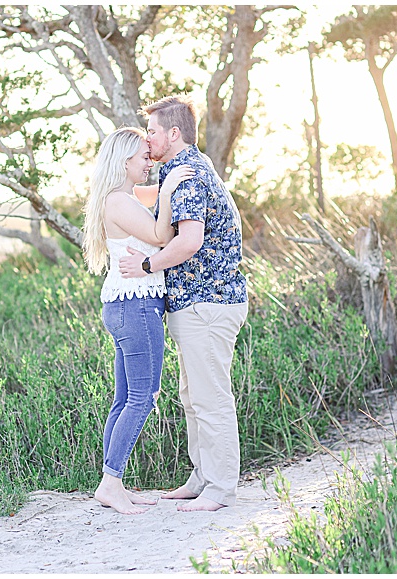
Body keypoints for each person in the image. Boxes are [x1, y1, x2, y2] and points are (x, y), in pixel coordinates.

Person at [119, 95, 248, 513]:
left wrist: (146, 264)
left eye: (152, 132)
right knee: (193, 396)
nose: (148, 140)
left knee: (210, 398)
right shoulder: (185, 169)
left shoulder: (188, 176)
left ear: (173, 134)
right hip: (199, 303)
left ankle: (221, 487)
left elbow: (189, 240)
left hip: (208, 302)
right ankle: (202, 476)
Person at [82, 127, 194, 515]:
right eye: (144, 157)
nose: (150, 162)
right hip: (137, 305)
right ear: (125, 161)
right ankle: (111, 484)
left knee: (124, 399)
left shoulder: (121, 197)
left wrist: (164, 181)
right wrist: (167, 189)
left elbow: (148, 207)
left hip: (124, 304)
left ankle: (113, 483)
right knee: (143, 397)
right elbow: (161, 235)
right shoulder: (118, 201)